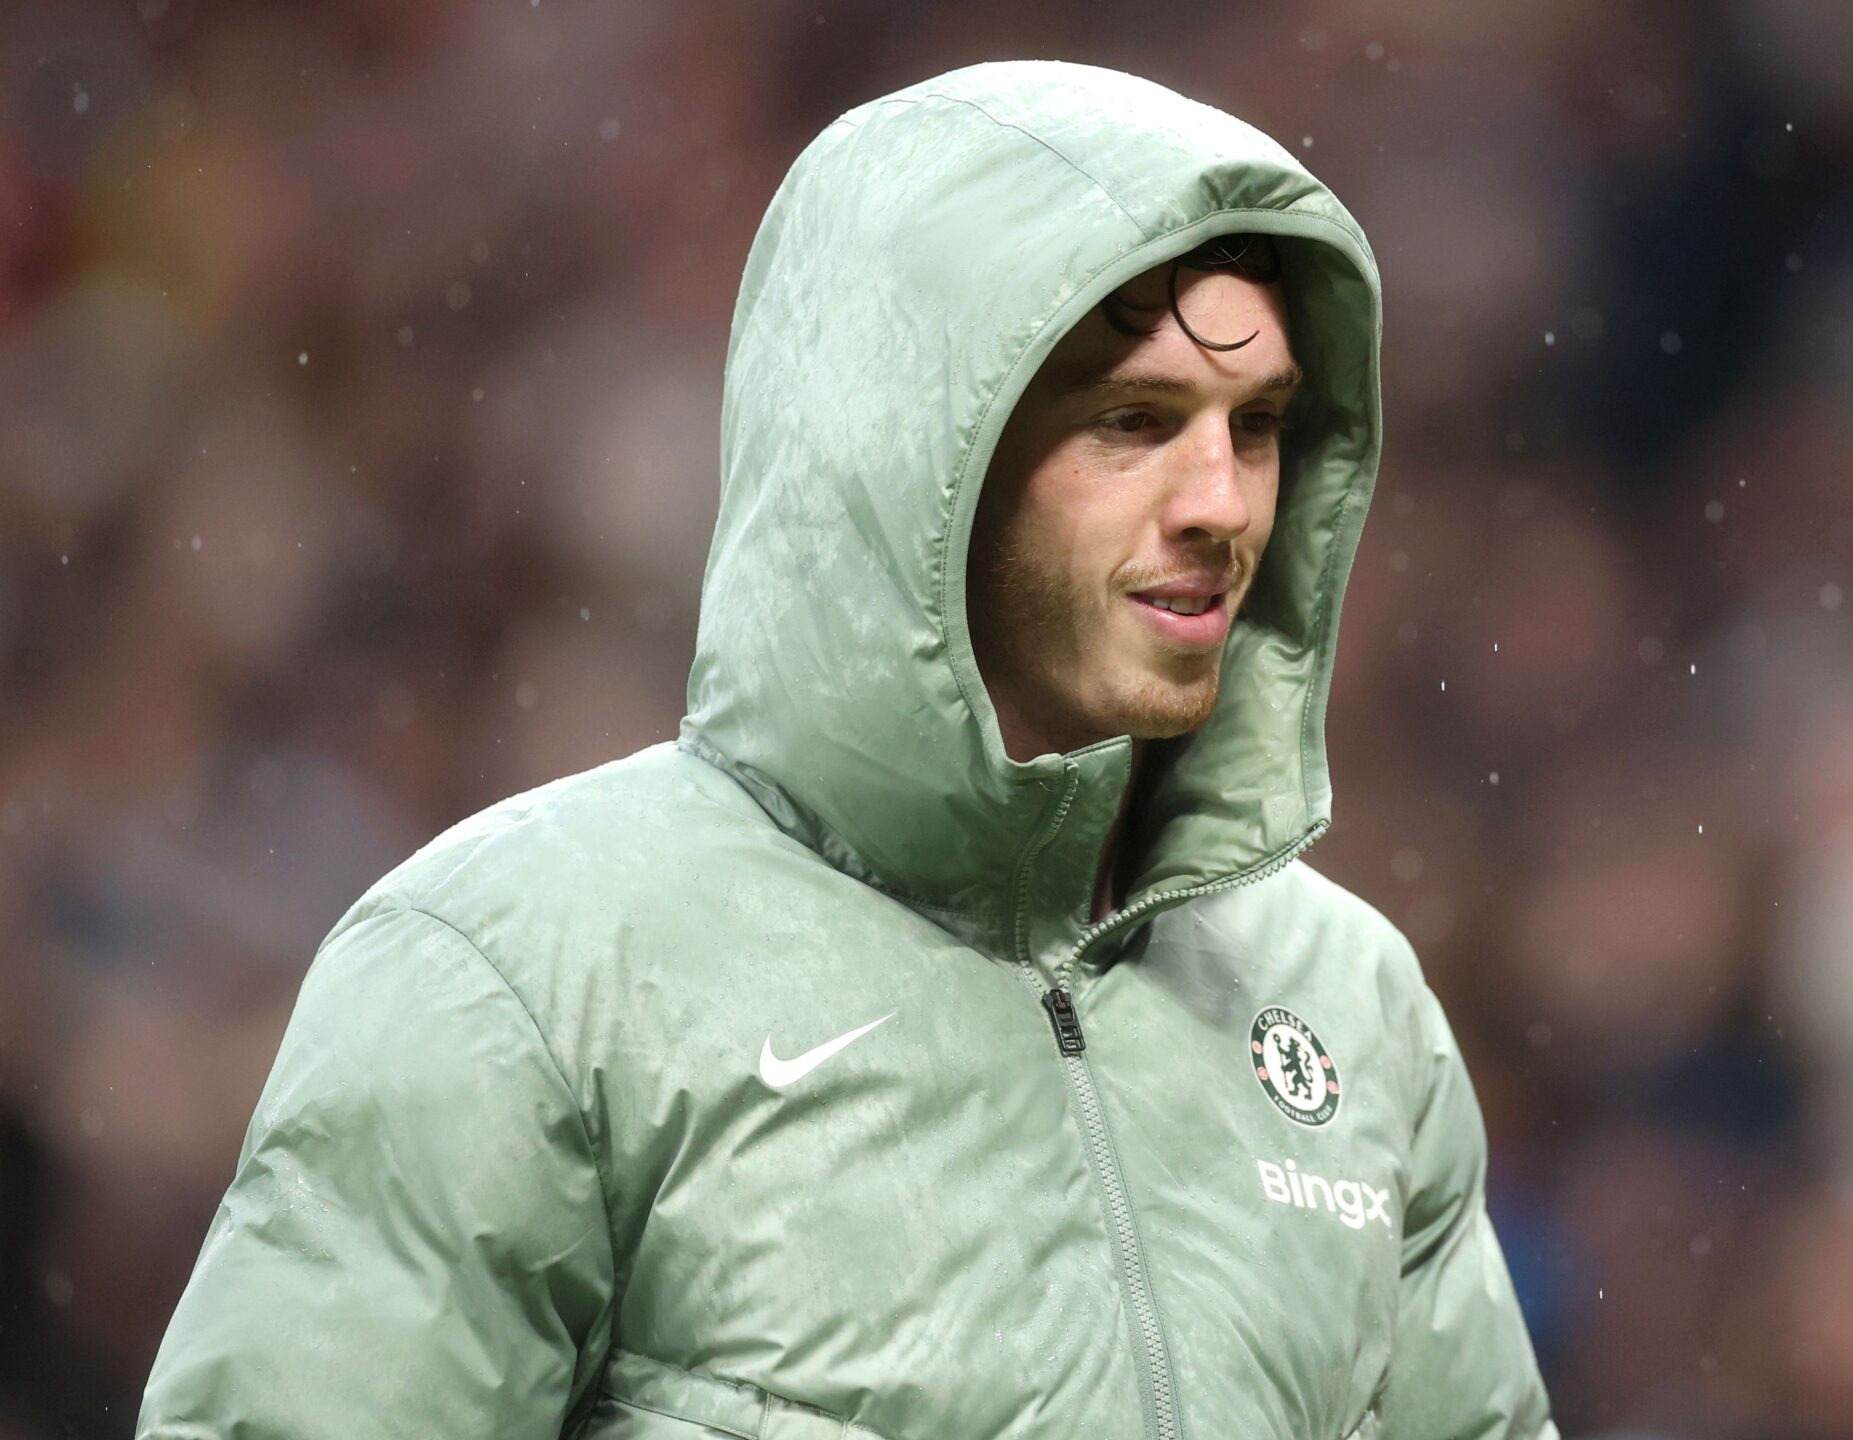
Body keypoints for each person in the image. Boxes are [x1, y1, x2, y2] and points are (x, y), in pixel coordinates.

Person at [137, 61, 1556, 1439]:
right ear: (913, 453)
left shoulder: (1353, 1009)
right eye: (1133, 420)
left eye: (1256, 427)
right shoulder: (518, 971)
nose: (1223, 503)